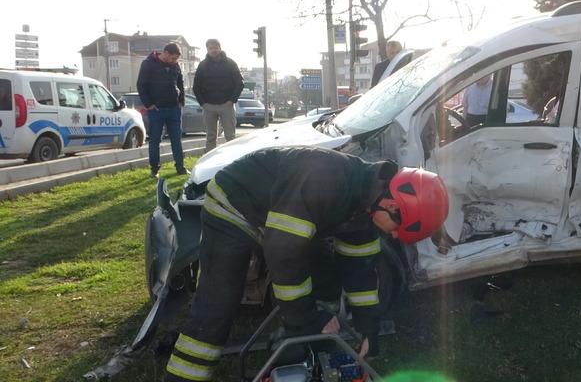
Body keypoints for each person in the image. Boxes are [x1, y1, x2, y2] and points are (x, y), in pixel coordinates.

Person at [163, 146, 448, 382]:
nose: (394, 236)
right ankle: (182, 377)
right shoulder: (325, 179)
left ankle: (310, 356)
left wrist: (368, 328)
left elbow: (359, 273)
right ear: (393, 206)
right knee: (217, 306)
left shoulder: (368, 206)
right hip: (234, 204)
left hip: (278, 217)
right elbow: (284, 253)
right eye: (398, 229)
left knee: (326, 282)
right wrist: (306, 316)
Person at [137, 43, 186, 177]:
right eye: (173, 58)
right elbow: (141, 85)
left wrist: (181, 101)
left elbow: (180, 83)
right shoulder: (148, 64)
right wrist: (149, 104)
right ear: (166, 53)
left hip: (174, 108)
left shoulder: (175, 65)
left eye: (176, 59)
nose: (174, 61)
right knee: (155, 140)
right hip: (156, 109)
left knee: (176, 139)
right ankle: (154, 169)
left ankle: (180, 168)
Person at [193, 39, 244, 153]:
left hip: (227, 105)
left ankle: (232, 159)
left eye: (216, 48)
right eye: (210, 48)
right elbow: (196, 87)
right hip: (208, 106)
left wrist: (231, 101)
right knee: (210, 137)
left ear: (220, 48)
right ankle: (210, 160)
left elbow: (240, 83)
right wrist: (203, 103)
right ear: (207, 49)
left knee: (230, 136)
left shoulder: (230, 63)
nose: (213, 50)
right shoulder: (202, 65)